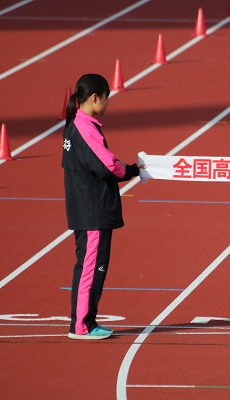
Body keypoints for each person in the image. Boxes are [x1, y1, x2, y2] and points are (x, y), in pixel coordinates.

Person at [62, 73, 142, 340]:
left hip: (88, 207)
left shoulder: (77, 124)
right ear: (95, 98)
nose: (108, 104)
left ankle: (86, 321)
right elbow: (108, 164)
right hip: (92, 210)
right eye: (106, 98)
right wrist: (131, 170)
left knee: (91, 266)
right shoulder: (84, 128)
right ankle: (82, 325)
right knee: (89, 267)